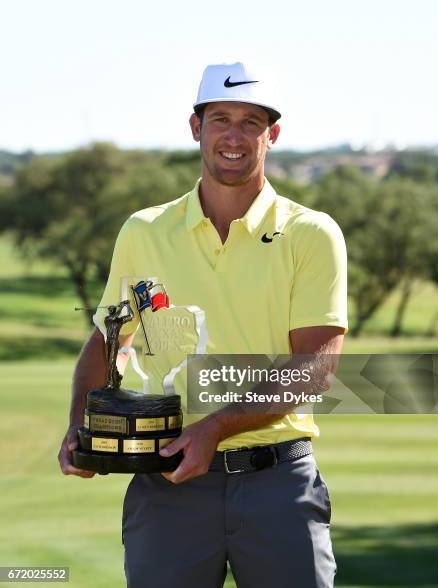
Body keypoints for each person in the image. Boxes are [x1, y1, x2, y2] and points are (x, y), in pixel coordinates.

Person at [58, 61, 348, 588]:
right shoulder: (143, 231)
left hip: (278, 483)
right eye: (220, 119)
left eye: (250, 122)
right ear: (196, 128)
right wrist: (79, 424)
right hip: (166, 484)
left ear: (272, 134)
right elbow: (106, 342)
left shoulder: (312, 233)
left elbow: (316, 367)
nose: (233, 136)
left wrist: (214, 428)